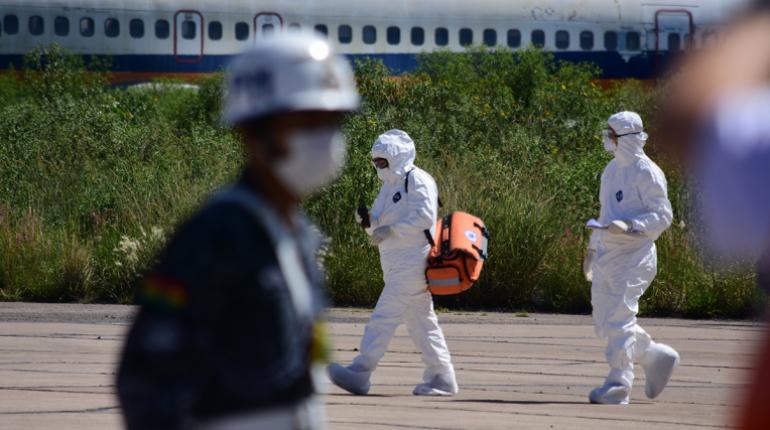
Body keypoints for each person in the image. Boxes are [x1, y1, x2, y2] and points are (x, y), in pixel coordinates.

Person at [116, 32, 359, 430]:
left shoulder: (297, 235)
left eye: (333, 121)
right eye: (307, 121)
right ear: (252, 132)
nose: (325, 137)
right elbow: (144, 382)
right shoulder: (216, 236)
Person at [327, 129, 458, 396]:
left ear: (397, 157)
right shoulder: (390, 186)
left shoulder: (417, 179)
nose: (379, 167)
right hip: (395, 264)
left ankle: (360, 372)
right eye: (376, 162)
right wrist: (367, 223)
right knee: (422, 324)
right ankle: (442, 377)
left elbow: (424, 218)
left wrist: (392, 230)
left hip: (413, 262)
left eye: (383, 161)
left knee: (383, 318)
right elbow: (377, 225)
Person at [583, 111, 680, 404]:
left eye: (611, 134)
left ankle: (619, 383)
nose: (607, 139)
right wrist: (592, 248)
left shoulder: (646, 171)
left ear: (626, 138)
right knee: (603, 319)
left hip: (635, 255)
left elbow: (663, 216)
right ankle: (654, 355)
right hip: (607, 254)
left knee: (619, 317)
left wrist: (632, 226)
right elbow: (605, 214)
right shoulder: (611, 171)